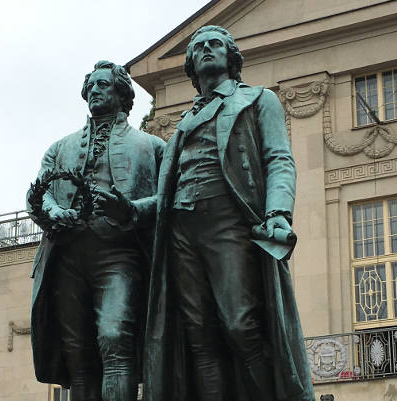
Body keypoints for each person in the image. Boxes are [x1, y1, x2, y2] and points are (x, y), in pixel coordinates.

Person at [143, 26, 315, 401]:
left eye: (215, 44)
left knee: (240, 324)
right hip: (181, 230)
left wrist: (278, 212)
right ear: (190, 63)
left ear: (231, 57)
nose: (206, 49)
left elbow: (279, 159)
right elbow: (162, 193)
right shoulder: (181, 125)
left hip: (229, 220)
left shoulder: (258, 99)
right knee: (200, 335)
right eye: (198, 46)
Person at [27, 60, 165, 401]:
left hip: (119, 255)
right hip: (67, 259)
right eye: (90, 88)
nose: (95, 92)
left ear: (121, 92)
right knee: (79, 355)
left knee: (115, 337)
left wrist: (133, 209)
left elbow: (170, 200)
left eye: (103, 85)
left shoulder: (151, 147)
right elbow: (38, 196)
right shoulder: (59, 149)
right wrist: (54, 211)